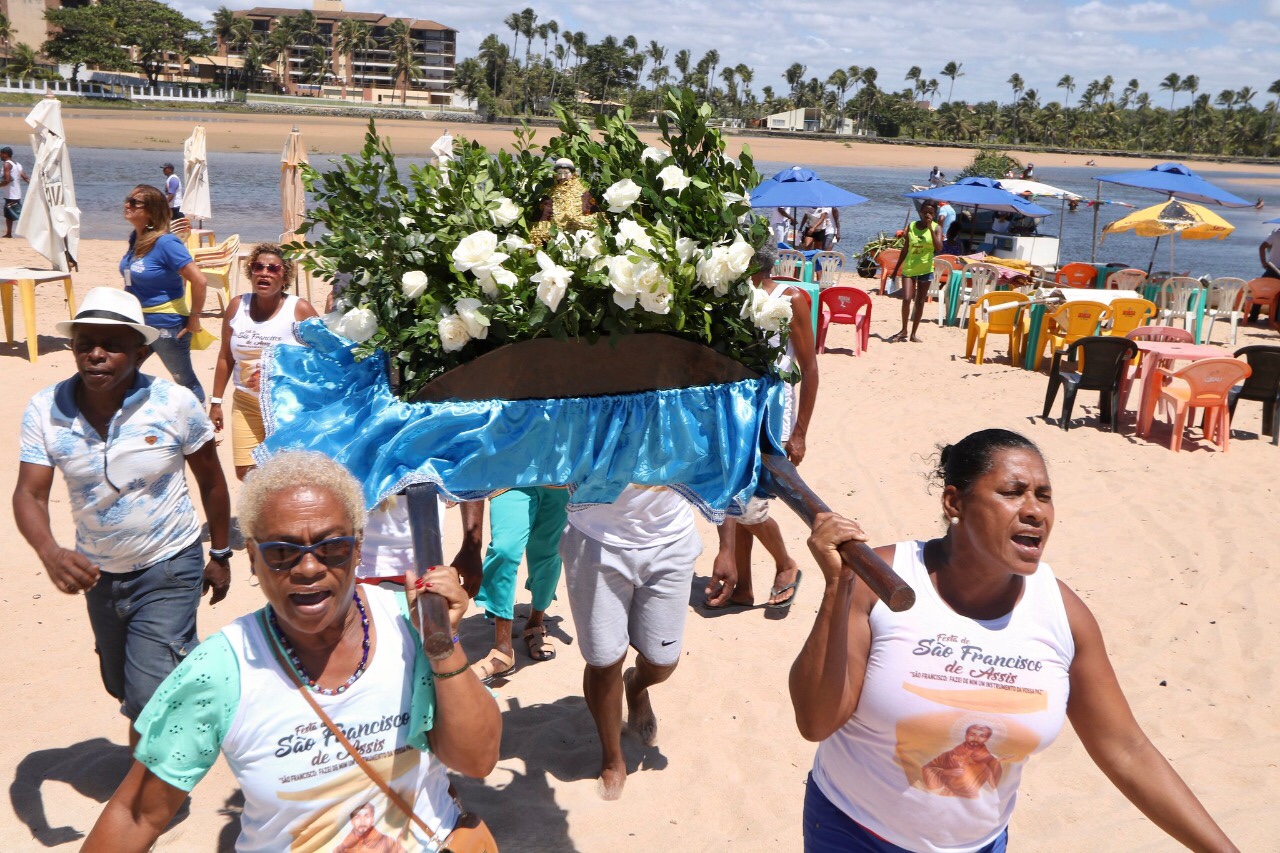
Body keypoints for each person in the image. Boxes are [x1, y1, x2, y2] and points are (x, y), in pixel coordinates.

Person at [790, 428, 1238, 852]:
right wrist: (837, 587)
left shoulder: (1063, 616)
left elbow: (1126, 748)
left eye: (1044, 496)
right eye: (1013, 492)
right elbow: (816, 721)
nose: (1035, 510)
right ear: (954, 503)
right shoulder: (878, 582)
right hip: (853, 830)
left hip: (981, 844)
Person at [82, 450, 501, 850]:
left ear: (357, 549)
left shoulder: (407, 626)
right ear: (253, 560)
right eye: (281, 552)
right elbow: (138, 815)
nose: (308, 567)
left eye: (331, 546)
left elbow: (477, 760)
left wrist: (444, 648)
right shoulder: (224, 669)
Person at [14, 288, 231, 747]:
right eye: (84, 343)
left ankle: (142, 805)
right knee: (120, 683)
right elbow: (29, 495)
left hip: (170, 563)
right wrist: (50, 552)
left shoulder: (174, 405)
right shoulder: (44, 410)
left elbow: (212, 481)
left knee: (148, 693)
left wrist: (221, 553)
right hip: (100, 574)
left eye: (111, 344)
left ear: (141, 351)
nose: (95, 354)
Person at [560, 485, 736, 800]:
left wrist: (727, 546)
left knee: (661, 661)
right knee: (604, 660)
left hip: (672, 542)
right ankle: (612, 756)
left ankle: (637, 686)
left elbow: (722, 457)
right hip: (595, 538)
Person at [713, 241, 817, 611]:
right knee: (734, 498)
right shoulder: (727, 296)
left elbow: (810, 368)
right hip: (736, 414)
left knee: (751, 504)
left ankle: (786, 564)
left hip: (774, 417)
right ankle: (743, 586)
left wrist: (800, 431)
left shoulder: (793, 299)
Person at [208, 243, 318, 480]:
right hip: (246, 402)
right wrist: (216, 401)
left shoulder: (299, 309)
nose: (264, 272)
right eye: (258, 267)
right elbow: (225, 356)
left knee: (287, 471)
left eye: (273, 268)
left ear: (285, 275)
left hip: (287, 405)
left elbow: (323, 356)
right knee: (245, 472)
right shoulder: (237, 306)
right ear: (251, 272)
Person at [462, 487, 571, 680]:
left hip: (559, 479)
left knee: (549, 554)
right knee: (505, 550)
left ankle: (535, 621)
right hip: (511, 479)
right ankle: (503, 648)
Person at [120, 184, 211, 403]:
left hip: (167, 325)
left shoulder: (166, 243)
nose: (127, 205)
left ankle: (202, 431)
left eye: (134, 203)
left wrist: (194, 320)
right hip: (138, 322)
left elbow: (199, 281)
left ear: (151, 211)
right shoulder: (136, 238)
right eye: (127, 200)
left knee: (184, 380)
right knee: (122, 374)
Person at [889, 201, 943, 343]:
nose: (927, 215)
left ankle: (913, 333)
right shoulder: (912, 226)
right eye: (925, 212)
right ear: (920, 212)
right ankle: (904, 329)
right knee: (907, 298)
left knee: (919, 302)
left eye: (931, 213)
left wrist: (930, 228)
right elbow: (905, 249)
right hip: (910, 268)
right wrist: (895, 270)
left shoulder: (937, 228)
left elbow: (939, 248)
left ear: (934, 214)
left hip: (926, 269)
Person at [1, 145, 30, 238]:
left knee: (16, 214)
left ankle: (31, 230)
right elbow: (25, 177)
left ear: (6, 154)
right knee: (9, 214)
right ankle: (9, 233)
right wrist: (34, 186)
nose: (0, 155)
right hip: (16, 194)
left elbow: (7, 180)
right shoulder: (17, 164)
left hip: (11, 194)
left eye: (1, 153)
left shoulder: (7, 164)